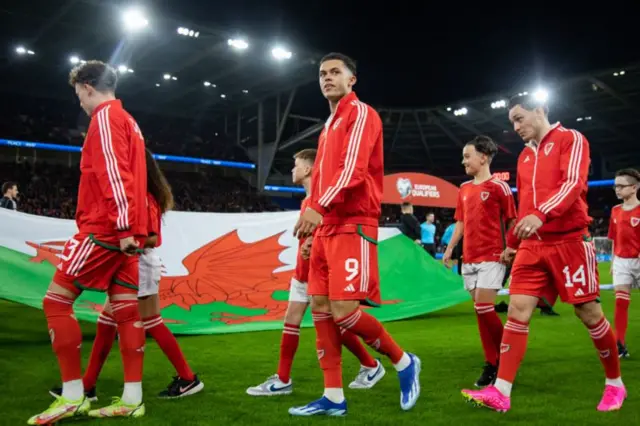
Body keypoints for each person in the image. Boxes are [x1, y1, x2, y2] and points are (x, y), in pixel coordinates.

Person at [462, 94, 625, 412]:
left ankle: (615, 385)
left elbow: (574, 183)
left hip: (569, 242)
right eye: (511, 121)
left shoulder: (571, 139)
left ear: (540, 110)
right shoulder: (523, 157)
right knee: (517, 311)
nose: (515, 126)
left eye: (520, 118)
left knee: (588, 314)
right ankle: (501, 391)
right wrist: (513, 242)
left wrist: (542, 213)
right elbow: (523, 208)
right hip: (533, 246)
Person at [291, 52, 420, 417]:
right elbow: (322, 180)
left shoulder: (361, 114)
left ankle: (403, 360)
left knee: (345, 313)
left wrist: (318, 208)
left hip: (353, 224)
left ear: (352, 80)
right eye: (322, 73)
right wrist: (314, 227)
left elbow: (354, 172)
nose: (327, 78)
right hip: (327, 228)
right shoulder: (328, 126)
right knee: (319, 309)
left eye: (335, 72)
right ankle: (333, 397)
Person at [28, 60, 148, 424]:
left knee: (56, 302)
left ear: (87, 85)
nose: (78, 99)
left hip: (105, 230)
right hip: (126, 231)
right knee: (127, 311)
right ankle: (132, 398)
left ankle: (72, 396)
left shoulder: (106, 119)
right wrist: (137, 229)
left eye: (77, 91)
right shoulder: (129, 120)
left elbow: (115, 174)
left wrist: (124, 226)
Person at [50, 149, 204, 403]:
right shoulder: (136, 193)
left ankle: (187, 378)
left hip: (140, 263)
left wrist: (126, 238)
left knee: (151, 320)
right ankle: (89, 385)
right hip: (128, 263)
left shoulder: (144, 196)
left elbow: (154, 238)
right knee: (107, 322)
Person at [247, 148, 384, 397]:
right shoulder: (307, 202)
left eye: (295, 165)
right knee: (292, 321)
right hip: (302, 273)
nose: (292, 170)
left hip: (320, 275)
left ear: (308, 168)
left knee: (337, 326)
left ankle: (373, 364)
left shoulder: (323, 202)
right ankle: (283, 379)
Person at [443, 135, 516, 387]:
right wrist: (450, 248)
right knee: (480, 312)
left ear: (483, 157)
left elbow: (511, 221)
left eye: (467, 156)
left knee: (484, 308)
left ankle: (507, 354)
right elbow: (460, 222)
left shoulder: (499, 187)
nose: (463, 162)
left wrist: (511, 249)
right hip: (469, 257)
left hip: (493, 256)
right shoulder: (464, 189)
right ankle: (493, 362)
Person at [608, 168, 640, 358]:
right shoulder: (615, 211)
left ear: (634, 187)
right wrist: (613, 262)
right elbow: (613, 239)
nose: (617, 189)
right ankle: (620, 345)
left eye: (621, 186)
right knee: (621, 302)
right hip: (621, 261)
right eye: (615, 186)